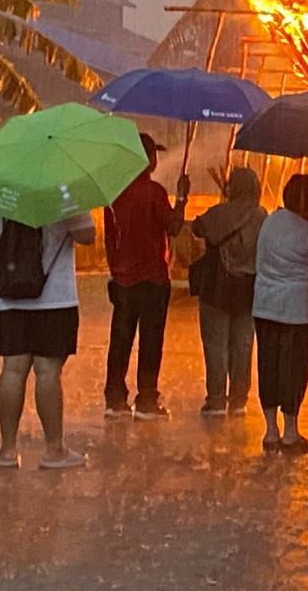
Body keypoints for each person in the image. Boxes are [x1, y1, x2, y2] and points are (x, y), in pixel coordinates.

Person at [0, 209, 96, 470]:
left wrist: (3, 285)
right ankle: (54, 449)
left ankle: (7, 450)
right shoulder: (64, 188)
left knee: (12, 369)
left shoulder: (2, 190)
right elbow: (87, 236)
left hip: (10, 298)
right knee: (47, 372)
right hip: (55, 298)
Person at [103, 133, 188, 421]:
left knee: (120, 340)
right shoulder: (155, 193)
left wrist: (115, 272)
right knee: (151, 340)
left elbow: (110, 239)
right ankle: (147, 399)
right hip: (153, 278)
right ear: (146, 159)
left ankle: (114, 399)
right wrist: (182, 199)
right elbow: (174, 228)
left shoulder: (113, 194)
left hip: (123, 280)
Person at [253, 174, 308, 453]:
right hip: (295, 312)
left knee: (268, 366)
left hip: (264, 306)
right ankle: (291, 433)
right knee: (294, 370)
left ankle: (271, 431)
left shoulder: (270, 221)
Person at [192, 168, 266, 417]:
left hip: (216, 288)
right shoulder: (261, 216)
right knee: (243, 345)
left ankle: (215, 401)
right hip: (248, 290)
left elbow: (198, 229)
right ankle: (238, 401)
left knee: (216, 345)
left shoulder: (219, 213)